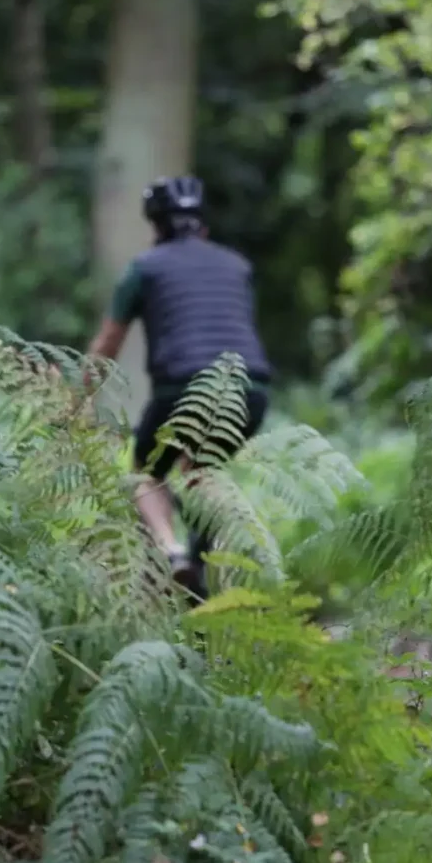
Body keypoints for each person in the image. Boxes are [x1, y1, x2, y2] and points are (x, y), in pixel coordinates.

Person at [85, 175, 273, 591]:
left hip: (182, 388)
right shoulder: (237, 265)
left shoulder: (145, 268)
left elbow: (108, 342)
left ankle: (172, 552)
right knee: (199, 469)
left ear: (155, 227)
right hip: (251, 388)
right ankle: (207, 559)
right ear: (201, 224)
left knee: (146, 472)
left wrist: (79, 395)